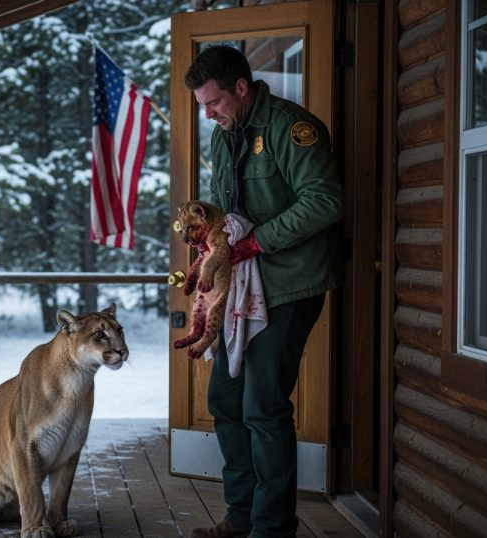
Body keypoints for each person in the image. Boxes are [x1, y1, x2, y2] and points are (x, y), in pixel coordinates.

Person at [183, 45, 344, 538]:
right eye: (202, 107)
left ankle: (273, 529)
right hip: (244, 289)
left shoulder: (293, 129)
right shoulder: (223, 135)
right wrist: (210, 238)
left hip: (291, 284)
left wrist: (257, 241)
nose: (207, 114)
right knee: (226, 401)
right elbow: (229, 209)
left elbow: (325, 200)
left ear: (241, 88)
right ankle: (242, 516)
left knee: (263, 407)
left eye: (213, 103)